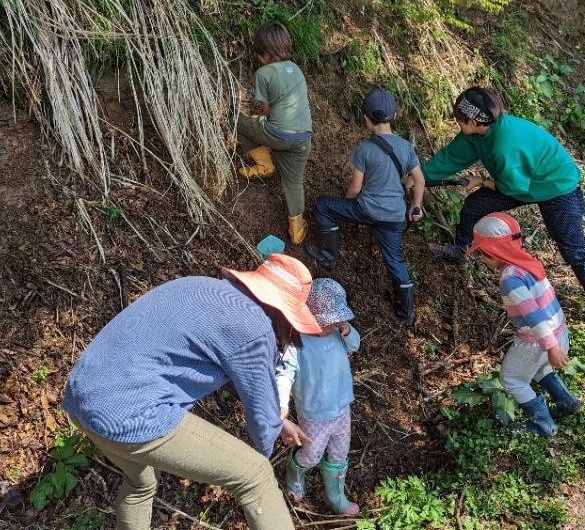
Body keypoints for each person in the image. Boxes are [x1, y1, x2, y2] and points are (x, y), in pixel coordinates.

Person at [61, 254, 322, 530]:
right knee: (256, 475)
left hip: (81, 394)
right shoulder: (255, 327)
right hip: (130, 411)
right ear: (284, 312)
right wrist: (268, 438)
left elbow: (239, 378)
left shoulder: (202, 286)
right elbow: (261, 422)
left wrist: (275, 419)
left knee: (141, 482)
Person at [421, 86, 585, 322]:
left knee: (573, 249)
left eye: (459, 119)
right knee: (475, 205)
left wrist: (483, 181)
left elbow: (513, 188)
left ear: (474, 121)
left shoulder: (506, 144)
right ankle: (459, 250)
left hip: (557, 186)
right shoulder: (475, 135)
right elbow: (449, 159)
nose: (456, 123)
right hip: (521, 181)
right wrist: (416, 176)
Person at [304, 89, 425, 326]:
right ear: (395, 115)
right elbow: (419, 179)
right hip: (394, 217)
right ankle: (407, 316)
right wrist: (416, 206)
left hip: (366, 210)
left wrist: (346, 202)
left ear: (366, 119)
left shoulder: (364, 150)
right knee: (395, 261)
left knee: (323, 205)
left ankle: (329, 257)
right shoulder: (405, 147)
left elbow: (355, 188)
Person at [467, 212, 583, 437]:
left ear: (497, 251)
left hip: (538, 339)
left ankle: (543, 425)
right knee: (539, 368)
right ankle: (566, 402)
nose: (482, 258)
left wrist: (551, 347)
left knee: (511, 378)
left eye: (484, 253)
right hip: (559, 329)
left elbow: (533, 315)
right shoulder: (527, 262)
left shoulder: (510, 279)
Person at [276, 278, 361, 516]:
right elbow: (284, 373)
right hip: (314, 414)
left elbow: (355, 345)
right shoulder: (297, 343)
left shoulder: (337, 335)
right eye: (329, 322)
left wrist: (346, 329)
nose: (333, 326)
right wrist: (281, 405)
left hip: (342, 407)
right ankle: (295, 473)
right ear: (310, 318)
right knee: (312, 454)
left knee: (340, 452)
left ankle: (335, 495)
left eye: (336, 321)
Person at [237, 22, 313, 245]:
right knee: (294, 181)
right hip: (303, 139)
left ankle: (264, 166)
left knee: (240, 124)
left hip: (278, 134)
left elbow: (264, 108)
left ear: (262, 53)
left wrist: (255, 117)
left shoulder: (263, 73)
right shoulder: (296, 69)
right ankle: (297, 229)